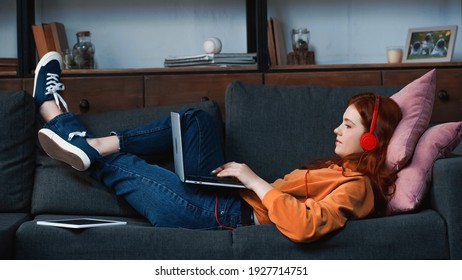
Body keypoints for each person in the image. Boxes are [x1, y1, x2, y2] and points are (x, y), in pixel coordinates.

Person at [33, 51, 402, 243]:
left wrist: (251, 178)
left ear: (371, 140)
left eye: (348, 125)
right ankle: (90, 142)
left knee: (122, 162)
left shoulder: (357, 189)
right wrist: (241, 181)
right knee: (195, 119)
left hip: (217, 217)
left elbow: (306, 226)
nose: (336, 129)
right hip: (227, 199)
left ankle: (52, 110)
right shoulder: (340, 170)